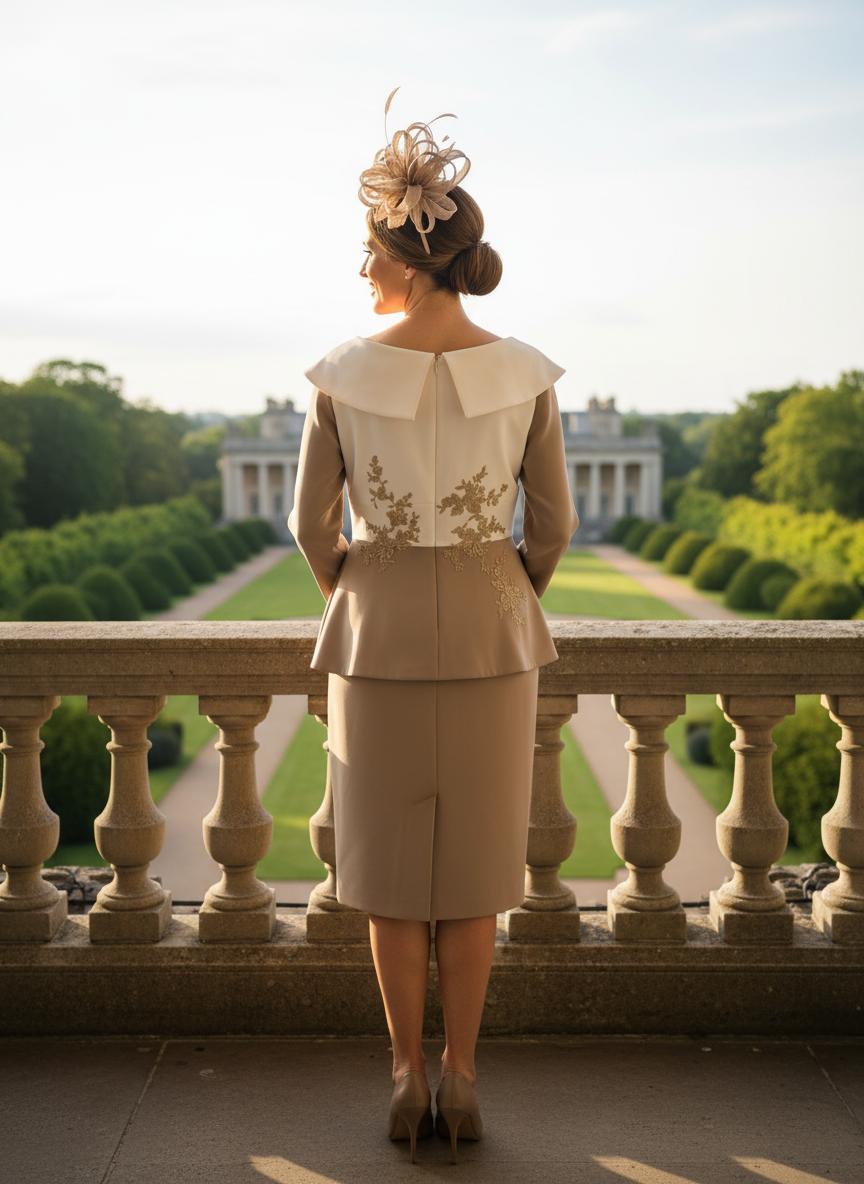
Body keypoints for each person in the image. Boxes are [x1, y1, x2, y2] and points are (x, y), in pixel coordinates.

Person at [287, 85, 579, 1164]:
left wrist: (363, 593)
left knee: (392, 877)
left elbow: (311, 525)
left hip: (377, 636)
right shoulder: (528, 371)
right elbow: (553, 525)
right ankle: (464, 1073)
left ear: (406, 258)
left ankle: (406, 1075)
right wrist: (505, 595)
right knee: (473, 879)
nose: (360, 272)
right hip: (498, 641)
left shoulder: (339, 371)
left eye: (367, 254)